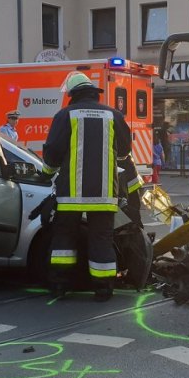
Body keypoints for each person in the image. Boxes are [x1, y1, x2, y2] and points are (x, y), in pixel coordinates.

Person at [42, 71, 132, 302]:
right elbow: (124, 151)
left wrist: (46, 173)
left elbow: (52, 150)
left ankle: (60, 286)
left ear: (73, 94)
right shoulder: (113, 115)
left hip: (70, 194)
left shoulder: (65, 115)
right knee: (101, 239)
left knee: (64, 238)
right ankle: (104, 289)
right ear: (94, 93)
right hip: (104, 194)